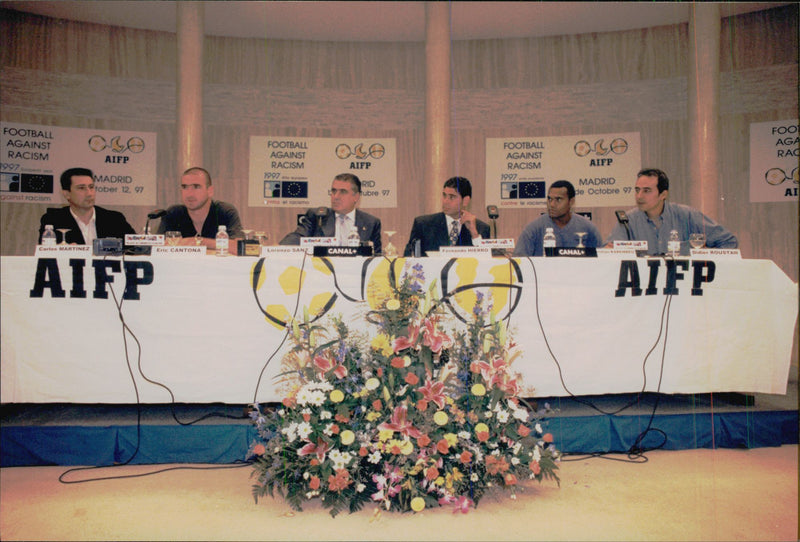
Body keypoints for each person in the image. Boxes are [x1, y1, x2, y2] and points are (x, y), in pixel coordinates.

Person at [604, 168, 738, 255]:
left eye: (646, 191)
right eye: (637, 190)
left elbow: (728, 242)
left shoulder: (687, 215)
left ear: (663, 194)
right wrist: (608, 252)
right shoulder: (627, 220)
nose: (639, 196)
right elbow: (609, 251)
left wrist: (705, 259)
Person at [279, 173, 382, 253]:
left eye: (343, 192)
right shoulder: (317, 216)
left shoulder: (371, 223)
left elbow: (377, 257)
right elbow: (298, 237)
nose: (336, 196)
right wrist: (277, 249)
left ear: (356, 197)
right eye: (333, 191)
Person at [38, 167, 136, 245]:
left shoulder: (114, 219)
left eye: (91, 187)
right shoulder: (53, 220)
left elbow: (136, 248)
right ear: (67, 194)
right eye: (81, 188)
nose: (89, 193)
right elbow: (46, 254)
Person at [403, 176, 491, 256]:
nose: (445, 201)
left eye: (452, 197)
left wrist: (474, 234)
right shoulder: (423, 224)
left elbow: (486, 263)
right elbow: (408, 258)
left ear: (465, 201)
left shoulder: (481, 229)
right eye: (444, 196)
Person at [157, 167, 243, 248]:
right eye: (184, 187)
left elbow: (239, 247)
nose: (189, 194)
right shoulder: (173, 213)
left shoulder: (225, 212)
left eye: (196, 187)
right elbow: (157, 246)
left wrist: (198, 242)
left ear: (210, 191)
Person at [513, 180, 602, 257]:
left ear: (571, 202)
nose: (552, 204)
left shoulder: (588, 228)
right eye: (549, 199)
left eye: (558, 199)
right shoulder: (533, 229)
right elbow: (519, 261)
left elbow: (601, 260)